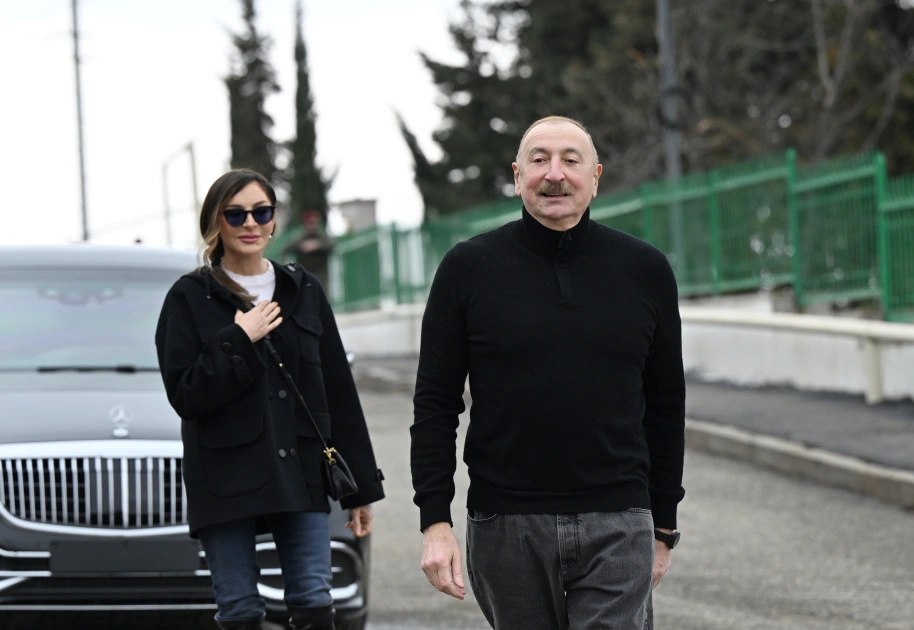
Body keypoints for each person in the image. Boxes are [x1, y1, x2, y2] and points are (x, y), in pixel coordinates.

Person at [411, 116, 685, 629]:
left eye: (570, 160)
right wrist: (435, 521)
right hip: (505, 524)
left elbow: (666, 404)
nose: (554, 174)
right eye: (539, 160)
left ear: (595, 177)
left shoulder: (645, 270)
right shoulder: (467, 269)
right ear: (518, 177)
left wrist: (664, 524)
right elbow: (435, 404)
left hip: (619, 518)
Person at [155, 169, 385, 630]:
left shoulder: (304, 290)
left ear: (274, 220)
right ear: (215, 221)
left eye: (261, 212)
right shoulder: (189, 297)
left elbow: (337, 391)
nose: (250, 223)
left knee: (315, 605)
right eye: (235, 214)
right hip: (224, 476)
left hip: (300, 471)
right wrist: (238, 338)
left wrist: (360, 489)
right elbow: (186, 394)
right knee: (240, 612)